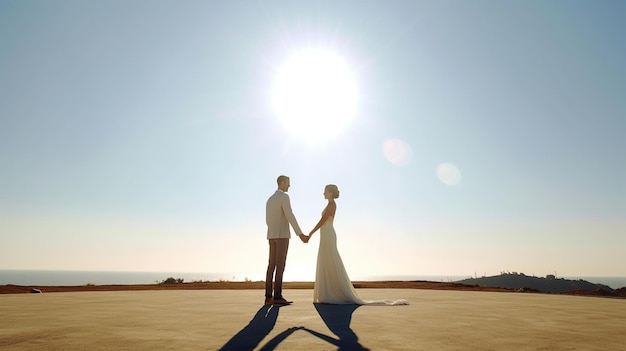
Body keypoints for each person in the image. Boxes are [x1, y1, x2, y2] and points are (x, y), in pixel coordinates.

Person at [305, 184, 408, 305]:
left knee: (331, 259)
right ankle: (327, 292)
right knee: (326, 260)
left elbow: (322, 221)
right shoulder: (329, 204)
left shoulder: (332, 204)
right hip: (325, 235)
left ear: (331, 193)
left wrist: (310, 233)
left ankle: (334, 292)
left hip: (328, 235)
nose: (323, 193)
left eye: (325, 191)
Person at [265, 175, 307, 306]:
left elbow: (268, 219)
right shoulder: (284, 197)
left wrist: (272, 231)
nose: (289, 185)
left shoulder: (270, 199)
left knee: (271, 265)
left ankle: (268, 297)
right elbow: (290, 215)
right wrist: (300, 234)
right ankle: (277, 297)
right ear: (282, 183)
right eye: (288, 183)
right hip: (282, 235)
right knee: (280, 265)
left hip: (271, 235)